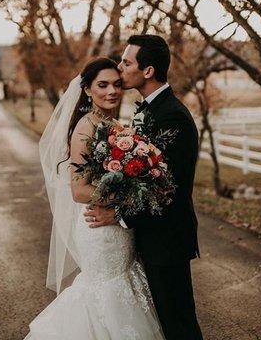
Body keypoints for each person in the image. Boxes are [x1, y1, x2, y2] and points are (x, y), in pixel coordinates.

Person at [24, 57, 165, 339]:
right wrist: (131, 196)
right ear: (87, 89)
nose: (111, 91)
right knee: (105, 293)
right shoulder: (85, 128)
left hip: (119, 228)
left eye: (116, 84)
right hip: (99, 230)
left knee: (124, 286)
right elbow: (79, 191)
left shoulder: (112, 123)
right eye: (102, 85)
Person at [84, 35, 203, 339]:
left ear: (147, 71)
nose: (120, 67)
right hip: (151, 237)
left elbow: (167, 190)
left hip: (167, 239)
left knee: (179, 325)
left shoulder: (172, 117)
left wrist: (119, 215)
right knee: (164, 323)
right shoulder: (149, 110)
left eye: (126, 62)